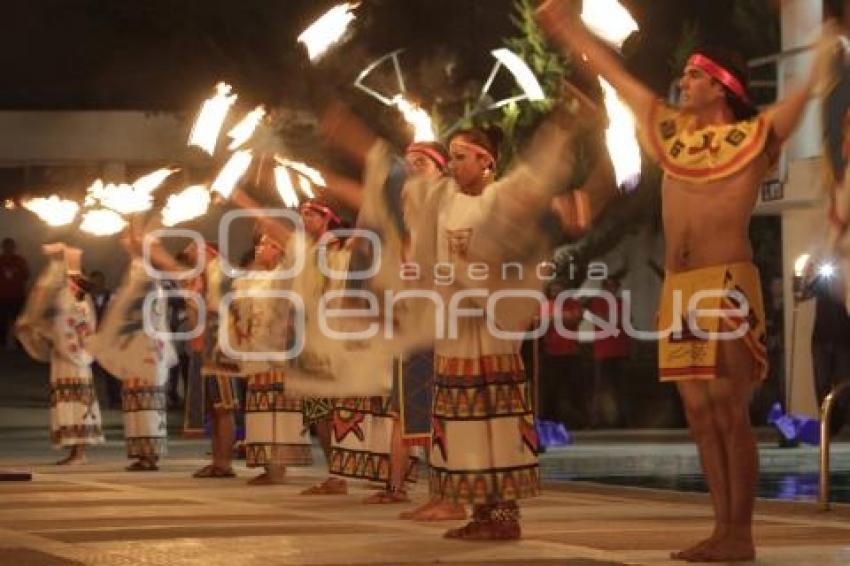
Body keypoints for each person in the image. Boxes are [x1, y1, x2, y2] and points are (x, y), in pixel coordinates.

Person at [538, 1, 814, 560]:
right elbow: (613, 73)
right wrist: (567, 28)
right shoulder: (670, 129)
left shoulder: (754, 137)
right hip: (682, 292)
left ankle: (742, 533)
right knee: (698, 411)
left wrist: (829, 43)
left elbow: (804, 96)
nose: (683, 80)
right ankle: (720, 529)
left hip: (726, 282)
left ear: (720, 87)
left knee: (729, 410)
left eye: (694, 74)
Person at [16, 244, 104, 464]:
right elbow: (55, 322)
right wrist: (39, 329)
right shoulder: (67, 297)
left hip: (75, 358)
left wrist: (66, 256)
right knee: (69, 401)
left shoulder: (78, 299)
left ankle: (80, 451)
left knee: (78, 402)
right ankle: (75, 450)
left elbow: (72, 326)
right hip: (64, 356)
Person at [797, 257, 850, 436]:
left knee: (843, 385)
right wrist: (803, 275)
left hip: (843, 338)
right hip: (821, 339)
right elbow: (801, 295)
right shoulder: (821, 281)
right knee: (821, 384)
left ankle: (840, 422)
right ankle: (827, 424)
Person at [539, 281, 585, 429]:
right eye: (553, 289)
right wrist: (561, 319)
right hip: (552, 353)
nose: (556, 291)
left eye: (559, 288)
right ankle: (550, 422)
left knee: (575, 389)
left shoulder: (574, 303)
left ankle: (578, 422)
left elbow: (575, 318)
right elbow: (542, 323)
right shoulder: (546, 304)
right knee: (551, 390)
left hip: (571, 353)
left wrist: (554, 319)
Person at [588, 276, 631, 428]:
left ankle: (622, 420)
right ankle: (596, 421)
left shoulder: (621, 303)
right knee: (600, 388)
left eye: (613, 286)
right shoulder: (598, 302)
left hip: (620, 350)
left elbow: (622, 321)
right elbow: (606, 320)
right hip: (603, 352)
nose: (611, 289)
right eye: (608, 286)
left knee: (621, 388)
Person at [88, 270, 121, 408]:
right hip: (91, 339)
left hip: (107, 339)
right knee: (90, 370)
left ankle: (114, 398)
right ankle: (88, 398)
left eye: (99, 282)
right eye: (94, 282)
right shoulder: (85, 298)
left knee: (110, 370)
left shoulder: (111, 297)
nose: (97, 285)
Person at [0, 237, 29, 350]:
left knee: (19, 321)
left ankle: (19, 344)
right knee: (1, 321)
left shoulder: (20, 261)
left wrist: (16, 272)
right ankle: (2, 344)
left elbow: (26, 275)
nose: (8, 249)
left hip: (17, 296)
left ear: (14, 248)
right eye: (6, 247)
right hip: (2, 296)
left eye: (10, 247)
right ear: (3, 248)